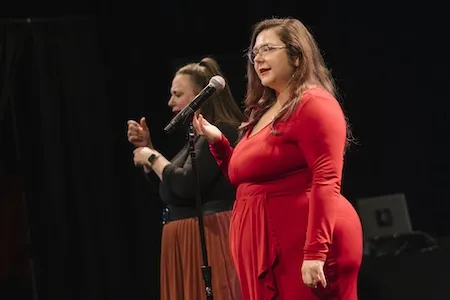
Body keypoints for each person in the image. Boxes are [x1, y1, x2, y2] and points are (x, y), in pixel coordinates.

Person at [193, 17, 363, 300]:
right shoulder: (265, 111)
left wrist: (315, 252)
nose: (258, 58)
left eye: (268, 49)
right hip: (269, 244)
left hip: (304, 242)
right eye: (254, 52)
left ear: (296, 57)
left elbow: (327, 179)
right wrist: (219, 144)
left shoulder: (314, 104)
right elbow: (242, 178)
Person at [127, 57, 244, 300]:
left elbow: (186, 184)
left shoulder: (221, 130)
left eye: (177, 94)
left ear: (199, 97)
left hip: (206, 238)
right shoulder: (194, 139)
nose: (170, 102)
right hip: (184, 239)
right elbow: (171, 190)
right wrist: (150, 150)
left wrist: (151, 157)